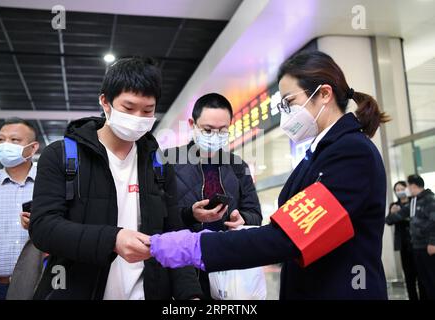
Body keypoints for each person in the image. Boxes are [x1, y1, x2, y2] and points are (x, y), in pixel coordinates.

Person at [147, 50, 391, 299]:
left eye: (289, 102)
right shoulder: (319, 153)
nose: (286, 112)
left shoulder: (351, 152)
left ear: (325, 94)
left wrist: (196, 246)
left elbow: (287, 238)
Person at [29, 57, 202, 300]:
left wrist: (190, 294)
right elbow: (43, 228)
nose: (138, 117)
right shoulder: (61, 155)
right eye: (129, 108)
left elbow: (173, 234)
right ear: (105, 102)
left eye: (147, 110)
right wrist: (112, 239)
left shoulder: (158, 163)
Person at [164, 93, 262, 298]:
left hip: (225, 267)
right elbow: (160, 217)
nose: (215, 135)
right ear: (192, 124)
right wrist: (191, 215)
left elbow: (254, 213)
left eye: (222, 130)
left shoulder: (237, 166)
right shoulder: (168, 162)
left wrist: (242, 218)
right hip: (184, 267)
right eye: (207, 130)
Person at [0, 118, 39, 300]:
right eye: (0, 140)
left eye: (15, 140)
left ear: (33, 148)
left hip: (37, 285)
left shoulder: (49, 185)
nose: (5, 145)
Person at [387, 174, 435, 299]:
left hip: (428, 247)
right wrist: (391, 215)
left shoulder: (430, 199)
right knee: (424, 279)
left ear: (413, 186)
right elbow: (399, 215)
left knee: (431, 279)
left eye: (407, 186)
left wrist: (433, 242)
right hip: (416, 246)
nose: (406, 189)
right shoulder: (414, 201)